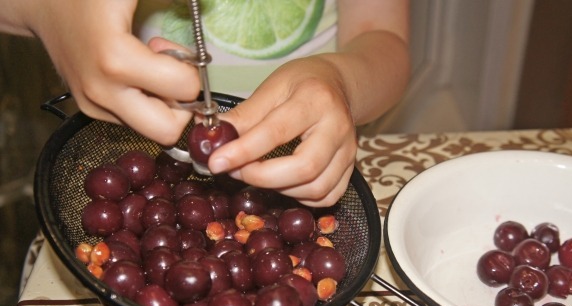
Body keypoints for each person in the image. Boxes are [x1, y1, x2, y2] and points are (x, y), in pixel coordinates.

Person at [0, 0, 410, 207]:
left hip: (311, 165)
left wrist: (341, 82)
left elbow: (383, 40)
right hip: (120, 163)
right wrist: (50, 12)